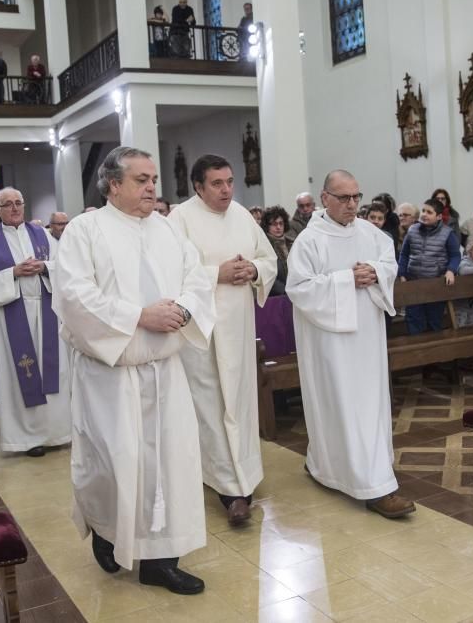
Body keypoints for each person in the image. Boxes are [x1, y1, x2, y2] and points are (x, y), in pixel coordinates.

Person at [52, 146, 215, 593]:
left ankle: (161, 559)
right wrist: (138, 316)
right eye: (141, 180)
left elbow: (197, 279)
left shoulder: (166, 229)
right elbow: (73, 297)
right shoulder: (85, 230)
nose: (151, 188)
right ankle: (106, 532)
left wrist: (180, 309)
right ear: (113, 184)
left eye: (154, 180)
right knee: (113, 464)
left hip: (164, 370)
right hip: (111, 375)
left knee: (171, 464)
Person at [286, 169, 414, 519]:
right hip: (329, 342)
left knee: (368, 405)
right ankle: (331, 468)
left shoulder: (372, 234)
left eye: (357, 196)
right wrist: (345, 280)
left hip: (367, 339)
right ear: (325, 198)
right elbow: (298, 289)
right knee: (336, 405)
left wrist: (376, 272)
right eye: (344, 198)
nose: (352, 204)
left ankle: (374, 480)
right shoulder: (309, 241)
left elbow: (389, 263)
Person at [169, 154, 276, 526]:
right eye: (217, 183)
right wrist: (217, 273)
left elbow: (269, 256)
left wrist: (255, 269)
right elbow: (170, 271)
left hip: (239, 325)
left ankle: (246, 474)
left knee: (241, 400)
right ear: (198, 186)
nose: (227, 189)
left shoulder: (243, 215)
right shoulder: (179, 219)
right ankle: (229, 488)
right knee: (212, 405)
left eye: (230, 181)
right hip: (202, 330)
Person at [0, 188, 70, 456]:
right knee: (22, 376)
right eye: (8, 204)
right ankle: (29, 439)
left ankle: (58, 432)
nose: (14, 208)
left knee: (54, 371)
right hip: (11, 314)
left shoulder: (43, 235)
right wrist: (13, 272)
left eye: (18, 203)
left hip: (46, 309)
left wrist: (45, 268)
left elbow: (64, 265)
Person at [398, 199, 461, 334]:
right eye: (423, 211)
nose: (424, 214)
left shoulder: (447, 233)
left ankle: (434, 354)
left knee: (434, 321)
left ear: (438, 217)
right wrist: (402, 274)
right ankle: (416, 352)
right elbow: (404, 254)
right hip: (413, 282)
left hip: (435, 284)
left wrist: (450, 270)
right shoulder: (412, 230)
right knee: (413, 319)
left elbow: (455, 255)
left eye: (429, 212)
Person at [261, 206, 294, 296]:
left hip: (296, 291)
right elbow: (267, 274)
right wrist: (285, 290)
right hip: (276, 296)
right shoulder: (263, 245)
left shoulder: (293, 242)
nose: (278, 227)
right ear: (267, 226)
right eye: (274, 224)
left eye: (281, 223)